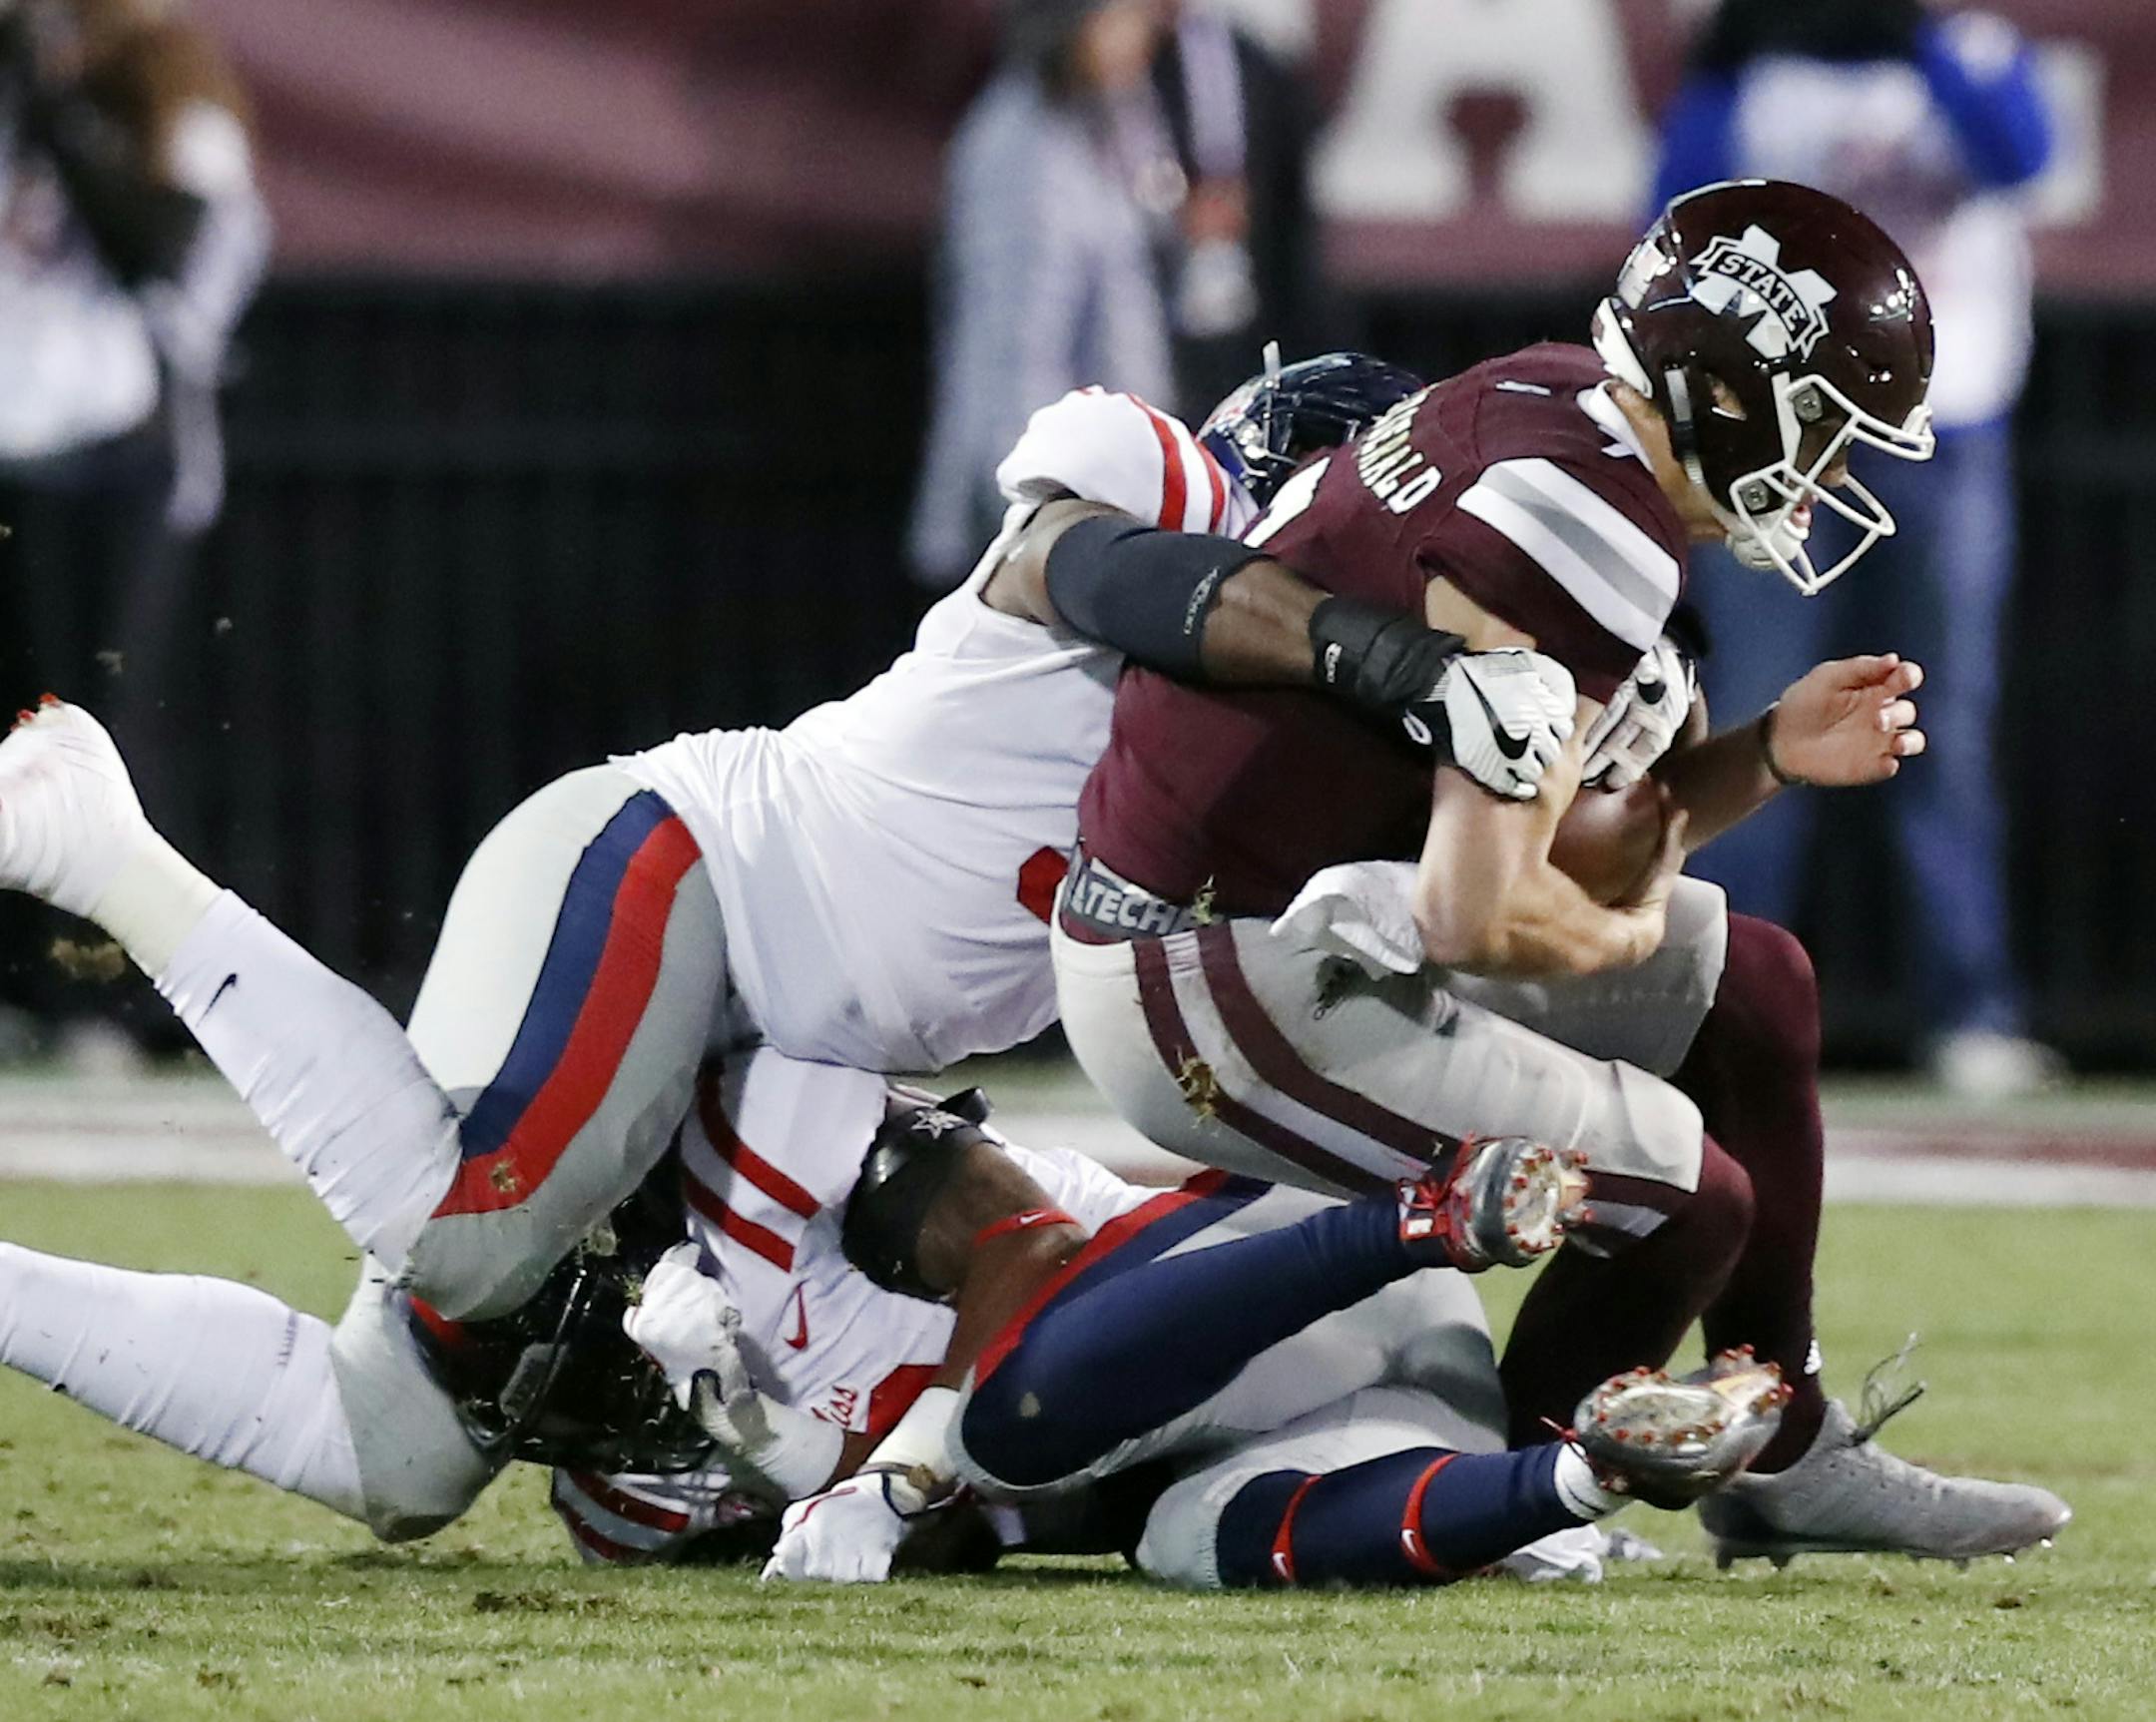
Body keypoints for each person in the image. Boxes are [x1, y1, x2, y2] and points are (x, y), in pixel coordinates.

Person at [1048, 179, 2069, 1564]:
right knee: (1688, 1192)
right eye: (1822, 427)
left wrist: (1763, 752)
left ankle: (1785, 1443)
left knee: (1751, 985)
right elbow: (1487, 908)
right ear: (1728, 393)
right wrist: (1625, 919)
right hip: (1210, 967)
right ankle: (1521, 1496)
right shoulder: (1585, 527)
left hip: (1296, 915)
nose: (1833, 473)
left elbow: (1569, 837)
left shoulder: (1557, 398)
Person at [1653, 0, 2058, 1097]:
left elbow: (2024, 155)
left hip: (1948, 414)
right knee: (1750, 715)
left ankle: (1968, 1005)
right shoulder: (1755, 59)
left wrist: (1923, 41)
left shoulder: (1958, 48)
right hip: (1786, 430)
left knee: (1944, 722)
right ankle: (1722, 1000)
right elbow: (1676, 223)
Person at [0, 0, 269, 1059]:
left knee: (94, 724)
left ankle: (109, 1000)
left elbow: (161, 252)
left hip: (113, 449)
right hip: (14, 448)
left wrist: (66, 109)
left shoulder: (171, 98)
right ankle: (25, 988)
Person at [906, 0, 1182, 587]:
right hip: (1036, 522)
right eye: (1122, 15)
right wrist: (1039, 512)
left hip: (1108, 503)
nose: (1145, 33)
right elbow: (1010, 354)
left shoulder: (1112, 121)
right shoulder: (1019, 148)